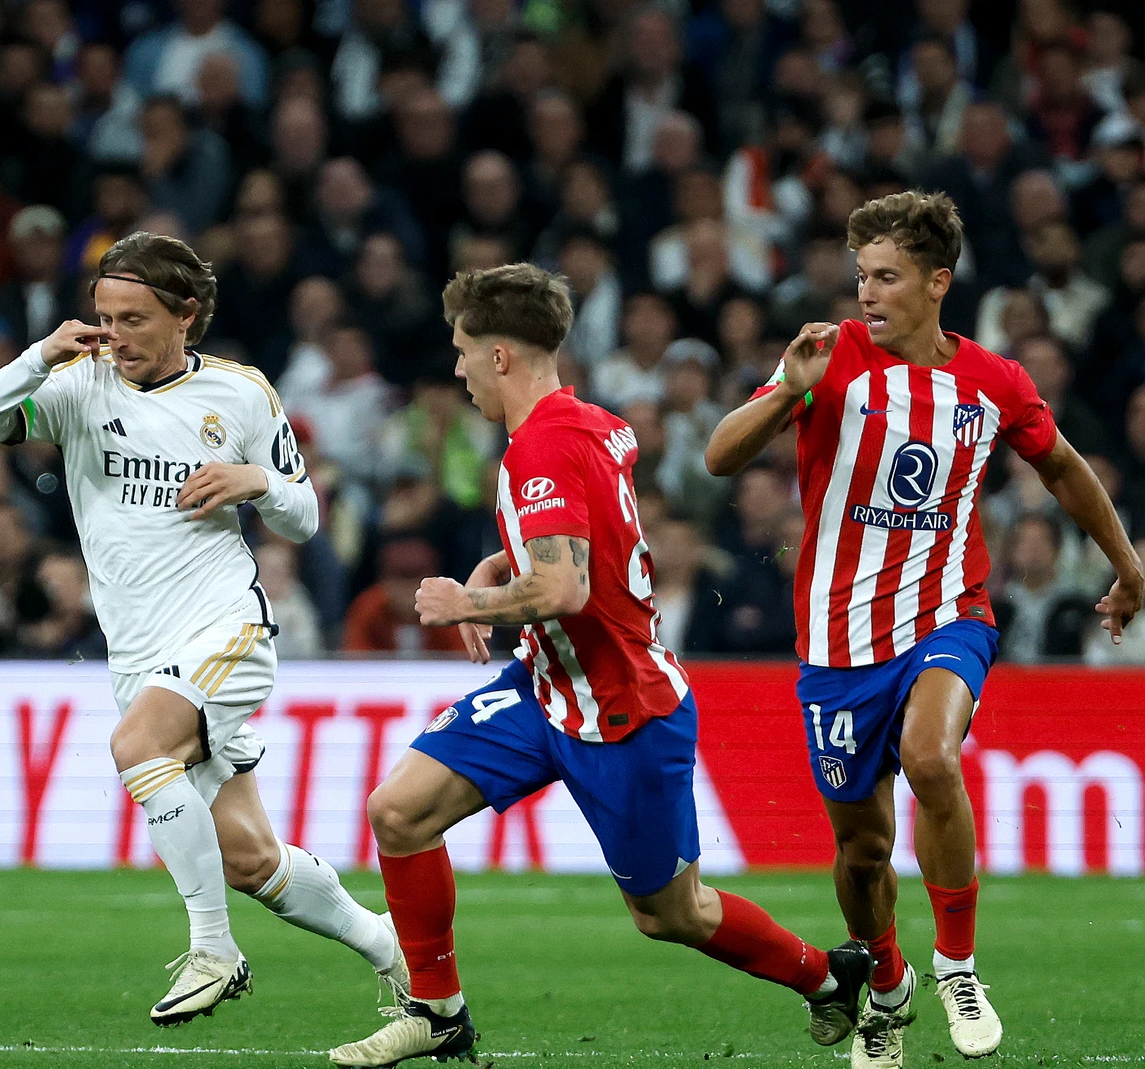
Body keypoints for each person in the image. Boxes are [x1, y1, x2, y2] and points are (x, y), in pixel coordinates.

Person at [332, 263, 870, 1068]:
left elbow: (563, 584)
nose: (458, 368)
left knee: (669, 911)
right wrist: (496, 562)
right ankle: (438, 1011)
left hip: (623, 712)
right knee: (398, 812)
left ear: (502, 356)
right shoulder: (590, 422)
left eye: (464, 350)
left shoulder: (538, 448)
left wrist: (463, 604)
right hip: (547, 687)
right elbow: (592, 548)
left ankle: (828, 977)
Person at [704, 190, 1141, 1068]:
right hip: (836, 645)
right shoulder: (828, 357)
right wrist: (786, 386)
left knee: (934, 758)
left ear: (938, 282)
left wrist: (1125, 566)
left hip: (951, 613)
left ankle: (957, 964)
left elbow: (1061, 468)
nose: (867, 292)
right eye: (861, 274)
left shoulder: (993, 380)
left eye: (887, 277)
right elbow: (720, 456)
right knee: (861, 851)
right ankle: (889, 984)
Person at [0, 231, 404, 1027]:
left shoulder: (240, 394)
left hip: (225, 627)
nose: (115, 334)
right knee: (251, 859)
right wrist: (40, 354)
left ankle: (214, 951)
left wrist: (256, 480)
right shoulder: (79, 386)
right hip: (138, 653)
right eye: (104, 316)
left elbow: (303, 517)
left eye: (133, 318)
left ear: (185, 316)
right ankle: (388, 944)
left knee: (137, 747)